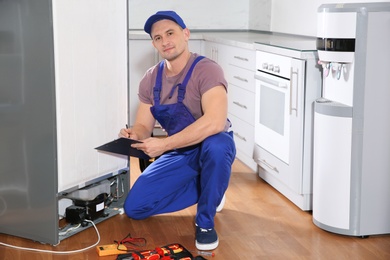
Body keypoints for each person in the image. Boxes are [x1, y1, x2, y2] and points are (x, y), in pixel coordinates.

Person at [119, 10, 236, 251]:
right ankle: (211, 190)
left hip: (210, 146)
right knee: (135, 208)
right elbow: (144, 126)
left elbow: (214, 122)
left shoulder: (207, 70)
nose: (165, 41)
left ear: (185, 34)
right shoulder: (151, 79)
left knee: (218, 143)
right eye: (158, 37)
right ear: (154, 44)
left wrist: (163, 145)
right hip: (180, 151)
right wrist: (135, 134)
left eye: (170, 33)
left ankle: (205, 221)